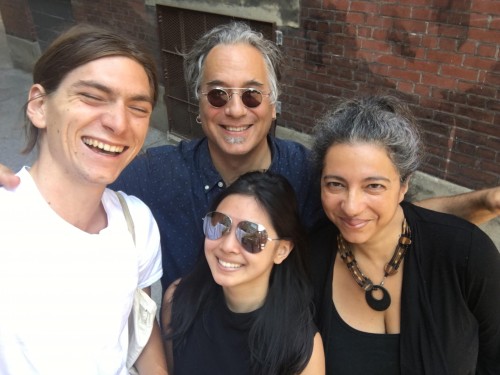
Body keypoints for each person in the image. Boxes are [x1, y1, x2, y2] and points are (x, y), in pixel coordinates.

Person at [0, 22, 498, 293]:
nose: (235, 110)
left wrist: (477, 201)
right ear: (197, 105)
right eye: (217, 95)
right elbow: (74, 179)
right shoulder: (151, 173)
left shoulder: (307, 172)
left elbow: (380, 216)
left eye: (252, 95)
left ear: (274, 105)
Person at [0, 24, 168, 374]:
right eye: (92, 96)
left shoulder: (136, 221)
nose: (119, 122)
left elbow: (139, 325)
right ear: (40, 106)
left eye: (138, 108)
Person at [308, 95, 500, 374]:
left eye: (373, 186)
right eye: (336, 184)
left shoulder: (466, 254)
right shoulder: (308, 262)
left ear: (404, 185)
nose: (351, 206)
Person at [162, 171, 325, 375]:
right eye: (219, 224)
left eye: (250, 235)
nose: (228, 246)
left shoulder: (300, 346)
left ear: (281, 250)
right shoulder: (179, 300)